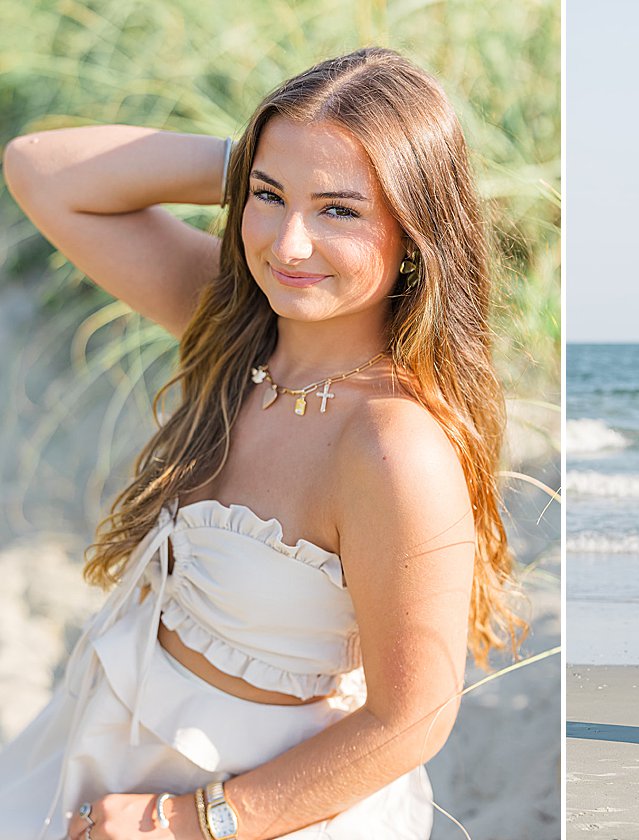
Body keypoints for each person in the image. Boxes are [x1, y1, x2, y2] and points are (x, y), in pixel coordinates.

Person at [0, 46, 524, 839]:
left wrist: (184, 822)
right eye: (269, 199)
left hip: (247, 813)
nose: (289, 245)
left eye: (340, 210)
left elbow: (412, 719)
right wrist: (266, 157)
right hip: (96, 760)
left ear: (415, 230)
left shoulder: (391, 443)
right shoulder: (238, 332)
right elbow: (41, 169)